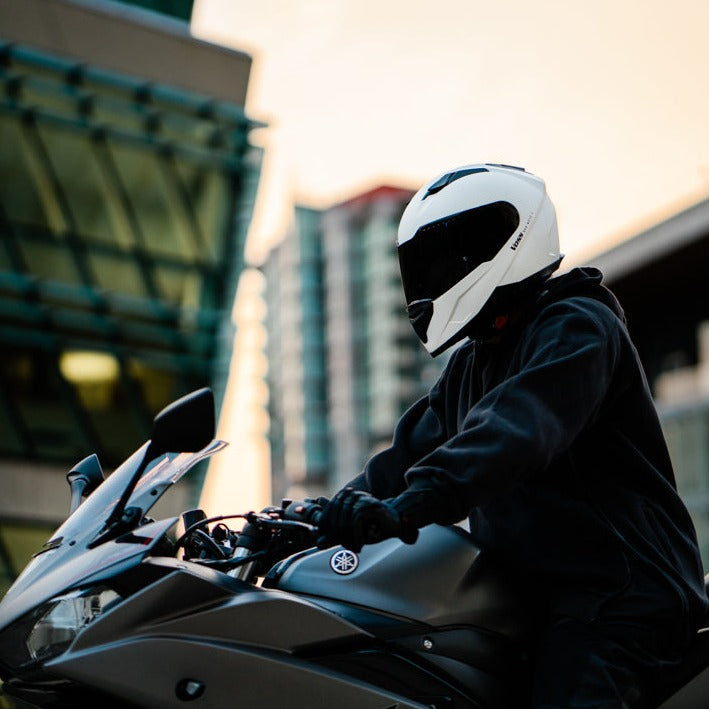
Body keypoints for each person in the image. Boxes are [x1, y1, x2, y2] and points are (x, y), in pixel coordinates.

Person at [317, 163, 709, 708]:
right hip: (534, 601)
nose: (430, 282)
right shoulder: (472, 364)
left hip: (618, 600)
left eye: (444, 261)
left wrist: (412, 504)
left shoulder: (577, 326)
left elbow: (517, 428)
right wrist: (311, 517)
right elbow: (401, 459)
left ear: (506, 240)